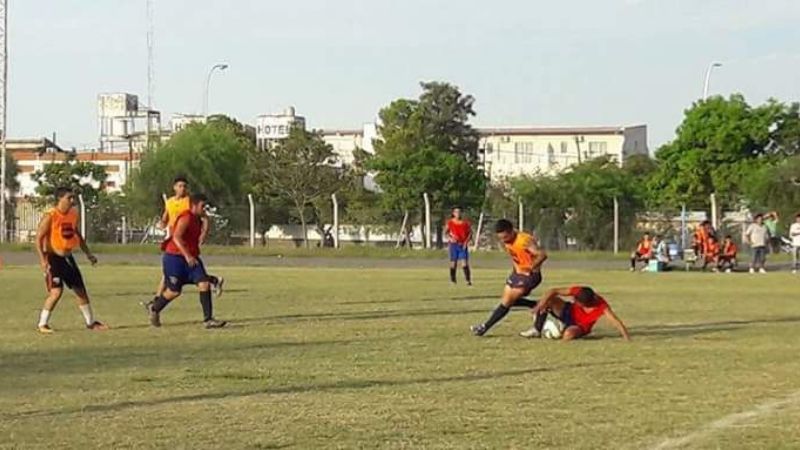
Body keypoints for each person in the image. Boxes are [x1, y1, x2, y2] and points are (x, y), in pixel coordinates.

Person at [145, 194, 227, 329]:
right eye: (202, 206)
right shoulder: (186, 217)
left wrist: (206, 224)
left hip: (192, 257)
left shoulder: (198, 219)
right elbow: (176, 237)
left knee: (204, 284)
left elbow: (202, 233)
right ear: (193, 206)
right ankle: (154, 308)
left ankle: (208, 320)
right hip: (174, 257)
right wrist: (187, 255)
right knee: (174, 291)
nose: (204, 209)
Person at [34, 187, 108, 334]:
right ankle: (42, 324)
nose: (72, 201)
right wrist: (43, 260)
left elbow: (77, 235)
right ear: (60, 199)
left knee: (80, 290)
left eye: (73, 198)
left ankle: (90, 323)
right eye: (69, 198)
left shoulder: (73, 215)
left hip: (68, 258)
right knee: (56, 292)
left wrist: (88, 254)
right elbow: (38, 238)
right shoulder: (51, 215)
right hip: (53, 258)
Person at [471, 219, 547, 337]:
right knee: (507, 301)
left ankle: (484, 327)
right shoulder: (508, 238)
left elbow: (542, 255)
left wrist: (531, 268)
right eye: (501, 238)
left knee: (507, 302)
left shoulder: (524, 240)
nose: (503, 240)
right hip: (516, 274)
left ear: (511, 232)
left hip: (529, 276)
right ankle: (538, 305)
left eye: (505, 237)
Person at [152, 176, 224, 301]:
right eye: (180, 186)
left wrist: (204, 233)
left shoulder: (190, 202)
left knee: (171, 274)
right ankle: (213, 280)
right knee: (169, 272)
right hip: (172, 237)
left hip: (185, 238)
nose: (182, 189)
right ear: (174, 187)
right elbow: (166, 216)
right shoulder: (169, 202)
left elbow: (204, 217)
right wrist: (162, 225)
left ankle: (157, 300)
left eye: (185, 186)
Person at [524, 286, 630, 342]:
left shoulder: (602, 306)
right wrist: (539, 306)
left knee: (568, 335)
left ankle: (560, 329)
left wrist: (626, 337)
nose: (572, 298)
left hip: (580, 325)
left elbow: (615, 321)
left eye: (576, 301)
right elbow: (553, 291)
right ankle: (537, 329)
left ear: (585, 304)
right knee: (550, 300)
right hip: (568, 311)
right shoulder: (579, 291)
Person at [445, 207, 472, 286]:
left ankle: (468, 280)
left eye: (459, 212)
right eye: (456, 212)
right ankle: (453, 280)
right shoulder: (450, 222)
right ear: (453, 213)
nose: (458, 214)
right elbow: (446, 233)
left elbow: (470, 234)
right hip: (454, 245)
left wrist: (466, 242)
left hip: (462, 245)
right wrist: (450, 238)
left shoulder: (465, 223)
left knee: (464, 263)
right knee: (453, 263)